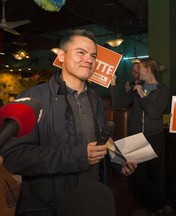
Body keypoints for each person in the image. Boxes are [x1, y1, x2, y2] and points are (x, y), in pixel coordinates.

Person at [0, 29, 137, 216]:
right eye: (81, 52)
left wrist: (119, 162)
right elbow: (15, 157)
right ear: (62, 56)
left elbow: (102, 139)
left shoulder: (94, 98)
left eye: (93, 55)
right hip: (53, 205)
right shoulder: (32, 98)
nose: (89, 59)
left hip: (92, 197)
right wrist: (77, 156)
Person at [110, 57, 171, 215]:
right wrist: (114, 84)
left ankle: (153, 207)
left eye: (140, 68)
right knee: (138, 177)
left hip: (154, 137)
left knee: (153, 175)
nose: (137, 71)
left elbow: (154, 113)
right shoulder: (137, 86)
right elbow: (119, 103)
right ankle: (159, 205)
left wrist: (142, 96)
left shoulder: (163, 90)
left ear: (148, 69)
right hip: (137, 137)